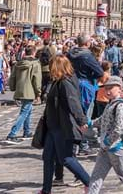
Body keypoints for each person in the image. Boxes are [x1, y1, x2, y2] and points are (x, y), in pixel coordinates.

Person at [39, 55, 90, 194]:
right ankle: (46, 189)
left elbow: (73, 102)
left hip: (62, 127)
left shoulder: (65, 83)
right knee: (48, 157)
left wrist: (82, 120)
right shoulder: (57, 82)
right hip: (53, 126)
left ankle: (89, 182)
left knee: (66, 158)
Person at [87, 76, 123, 194]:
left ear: (119, 89)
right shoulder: (110, 104)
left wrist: (108, 141)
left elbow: (119, 129)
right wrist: (90, 123)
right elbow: (103, 120)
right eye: (106, 88)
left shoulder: (121, 106)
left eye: (110, 88)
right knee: (96, 176)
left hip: (115, 148)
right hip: (105, 148)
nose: (107, 91)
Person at [67, 34, 104, 156]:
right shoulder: (87, 55)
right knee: (84, 115)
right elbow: (99, 72)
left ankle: (74, 142)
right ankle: (83, 145)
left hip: (72, 84)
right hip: (85, 85)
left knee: (75, 113)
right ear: (87, 43)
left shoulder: (70, 54)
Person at [3, 44, 42, 144]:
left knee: (28, 110)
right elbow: (36, 80)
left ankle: (27, 131)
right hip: (30, 90)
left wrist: (12, 87)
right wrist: (38, 93)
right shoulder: (35, 64)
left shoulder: (18, 63)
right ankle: (12, 134)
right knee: (24, 112)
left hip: (20, 89)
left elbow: (12, 77)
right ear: (34, 52)